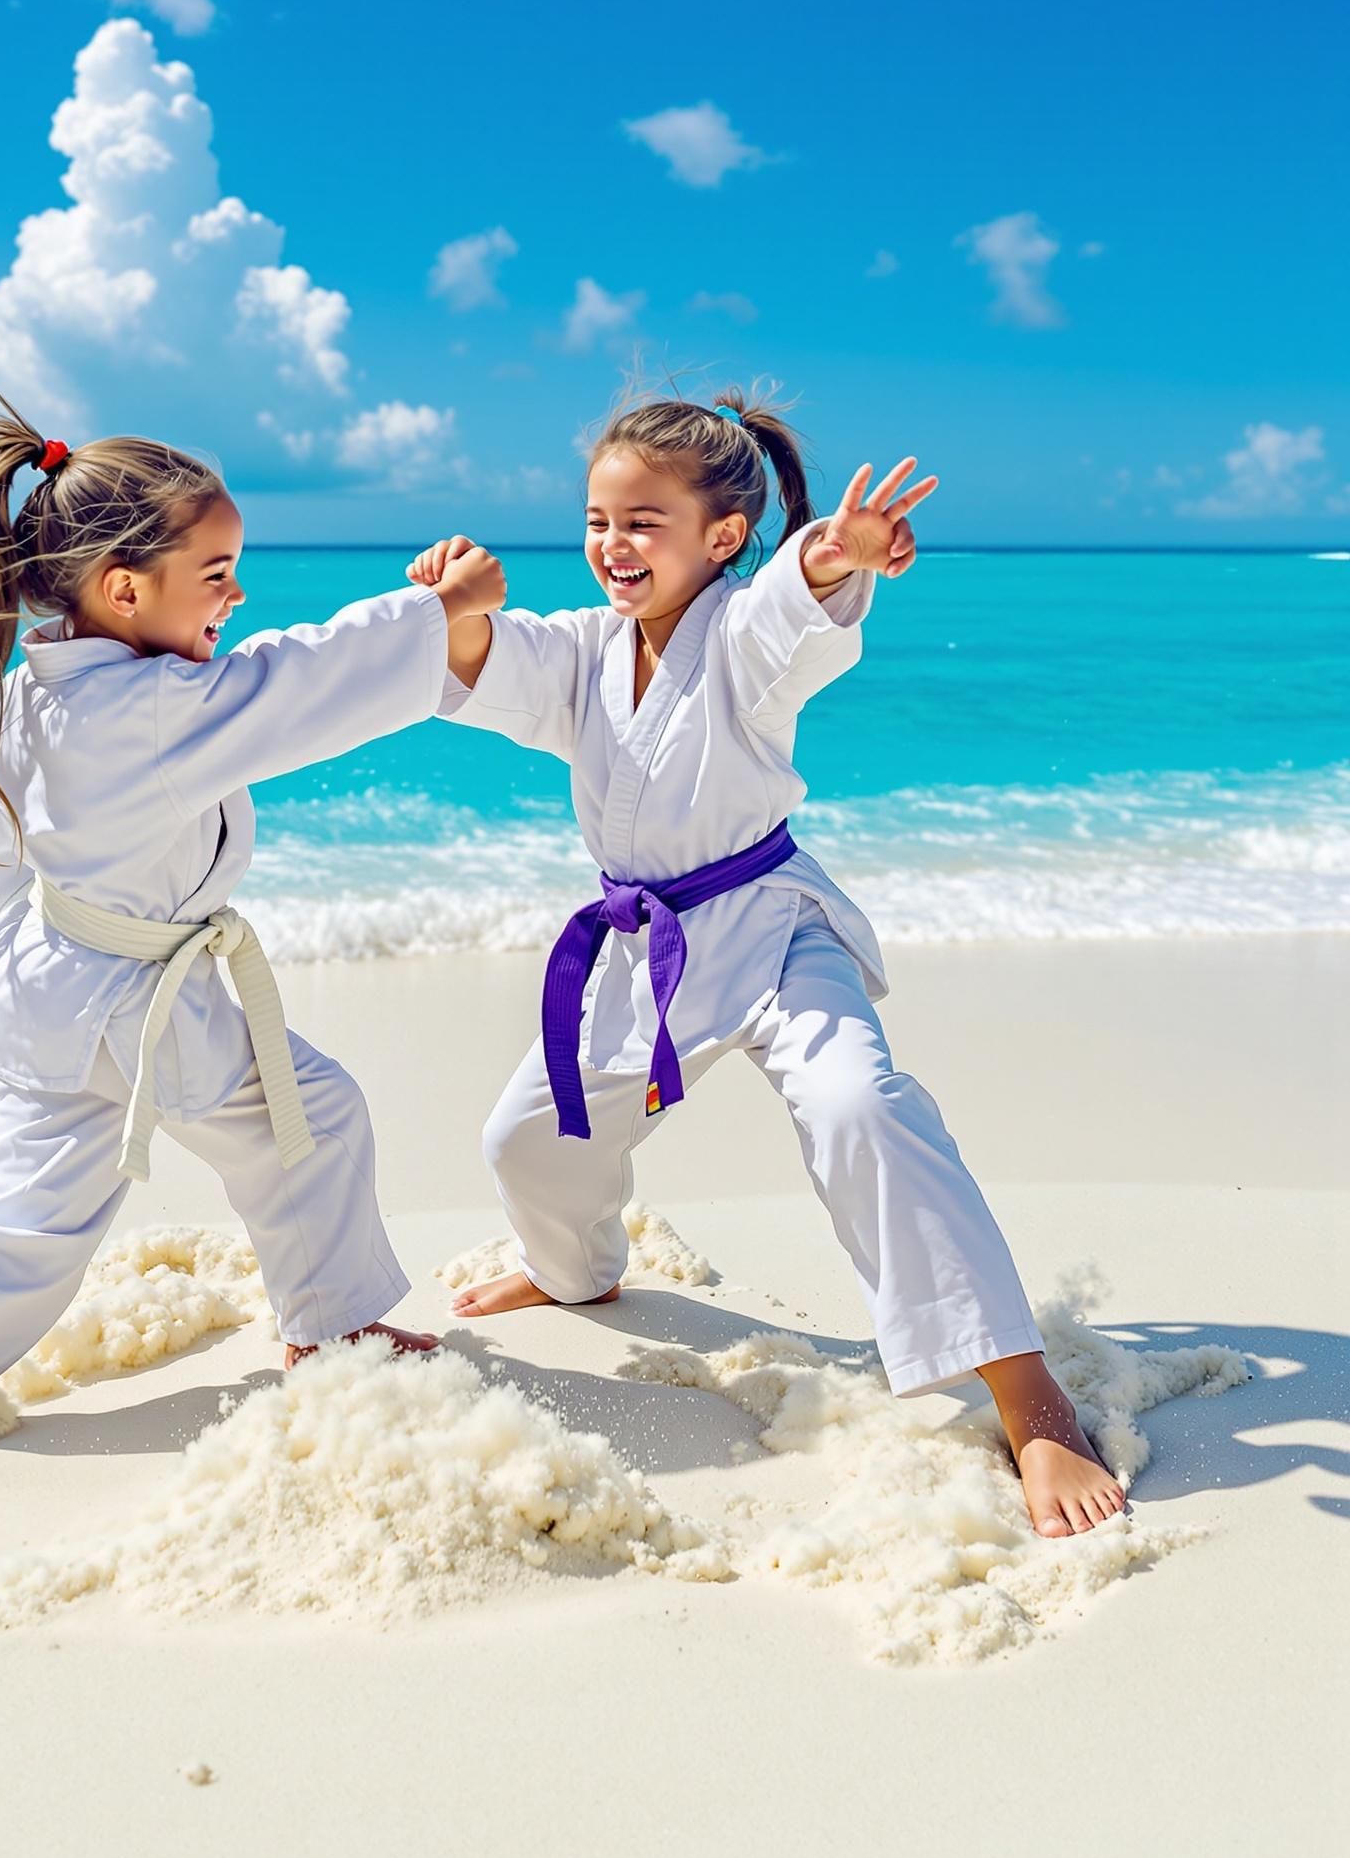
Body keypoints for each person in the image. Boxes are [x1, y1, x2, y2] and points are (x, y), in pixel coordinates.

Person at [409, 388, 1127, 1539]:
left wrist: (841, 554)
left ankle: (1024, 1394)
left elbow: (802, 602)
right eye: (598, 520)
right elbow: (484, 658)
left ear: (723, 536)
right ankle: (575, 1268)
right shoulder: (584, 651)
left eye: (643, 522)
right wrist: (453, 606)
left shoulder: (743, 633)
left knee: (860, 1106)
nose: (611, 545)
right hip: (648, 948)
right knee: (528, 1140)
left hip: (772, 927)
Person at [0, 390, 504, 1408]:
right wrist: (436, 612)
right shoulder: (153, 709)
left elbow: (0, 860)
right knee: (311, 1116)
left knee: (21, 1222)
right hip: (135, 1000)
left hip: (44, 980)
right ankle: (332, 1328)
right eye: (214, 574)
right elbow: (301, 682)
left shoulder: (29, 686)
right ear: (123, 590)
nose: (236, 596)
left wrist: (46, 966)